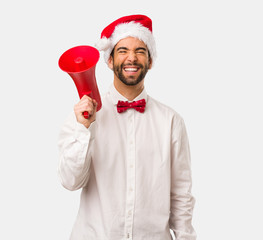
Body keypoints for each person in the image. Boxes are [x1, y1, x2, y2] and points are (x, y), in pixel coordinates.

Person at [58, 14, 196, 240]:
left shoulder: (172, 121)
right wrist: (84, 129)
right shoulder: (81, 117)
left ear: (150, 62)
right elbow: (70, 182)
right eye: (122, 51)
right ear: (110, 60)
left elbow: (181, 195)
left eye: (140, 51)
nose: (131, 58)